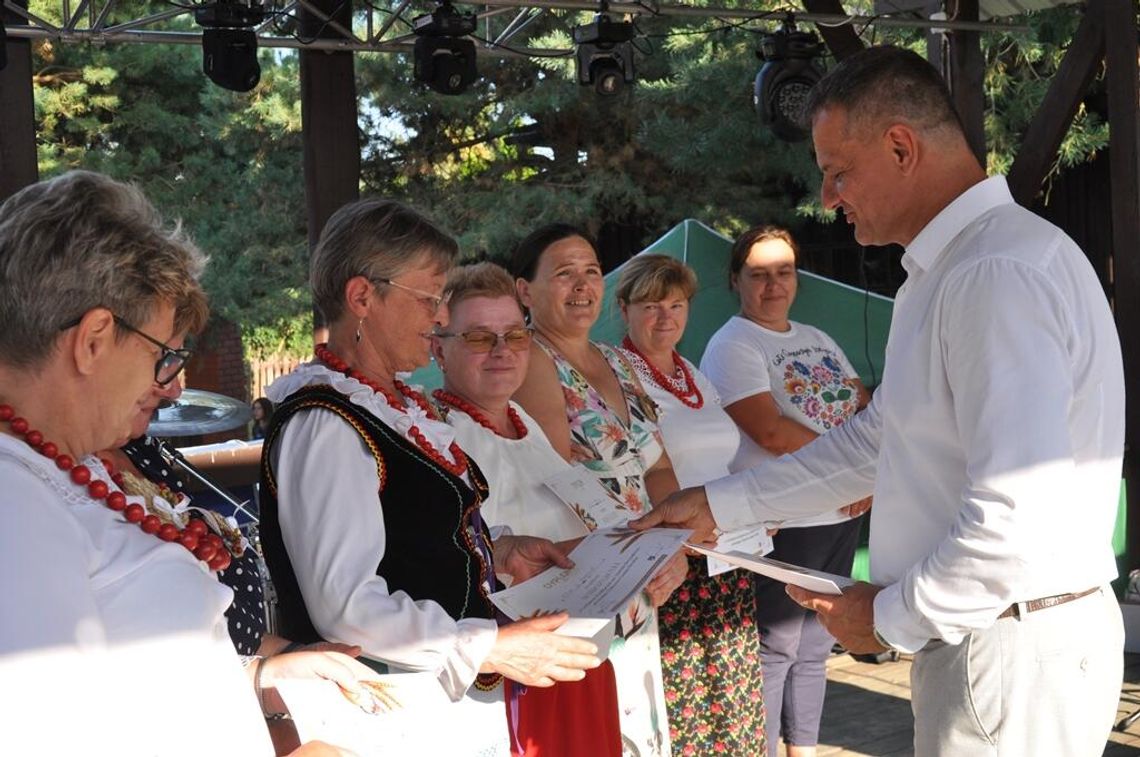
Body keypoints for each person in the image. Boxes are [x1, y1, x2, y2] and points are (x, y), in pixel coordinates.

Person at [633, 45, 1125, 756]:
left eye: (838, 171)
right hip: (999, 635)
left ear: (901, 146)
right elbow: (876, 440)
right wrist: (722, 505)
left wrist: (890, 615)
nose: (829, 196)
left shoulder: (992, 273)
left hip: (1008, 638)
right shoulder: (961, 266)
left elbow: (1015, 513)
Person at [0, 170, 369, 755]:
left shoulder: (68, 470)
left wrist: (255, 678)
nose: (173, 389)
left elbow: (140, 675)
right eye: (163, 356)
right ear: (94, 338)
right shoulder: (13, 502)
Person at [257, 199, 603, 756]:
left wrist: (498, 551)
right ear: (363, 297)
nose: (440, 317)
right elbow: (346, 606)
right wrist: (488, 647)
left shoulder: (388, 407)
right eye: (429, 297)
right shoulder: (326, 423)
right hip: (389, 719)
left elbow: (409, 536)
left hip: (437, 706)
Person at [430, 261, 623, 757]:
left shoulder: (524, 420)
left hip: (578, 657)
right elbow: (446, 557)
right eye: (478, 338)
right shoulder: (437, 438)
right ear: (438, 347)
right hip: (510, 676)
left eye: (514, 335)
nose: (501, 351)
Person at [511, 224, 689, 757]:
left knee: (640, 724)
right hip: (592, 574)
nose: (583, 285)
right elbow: (560, 482)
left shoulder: (616, 360)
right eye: (564, 273)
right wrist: (640, 556)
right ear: (525, 290)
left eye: (591, 271)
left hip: (641, 566)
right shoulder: (534, 361)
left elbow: (658, 468)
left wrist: (672, 542)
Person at [699, 227, 870, 757]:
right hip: (784, 517)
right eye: (758, 275)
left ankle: (805, 750)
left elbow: (864, 405)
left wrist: (864, 474)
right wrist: (847, 470)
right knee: (776, 646)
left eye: (784, 272)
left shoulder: (817, 337)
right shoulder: (733, 344)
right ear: (735, 281)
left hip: (839, 514)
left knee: (817, 643)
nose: (773, 285)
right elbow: (769, 431)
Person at [614, 254, 767, 755]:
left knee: (734, 699)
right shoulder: (617, 376)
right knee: (686, 709)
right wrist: (684, 537)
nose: (666, 318)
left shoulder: (694, 373)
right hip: (672, 560)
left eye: (676, 305)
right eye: (651, 305)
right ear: (624, 310)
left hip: (726, 555)